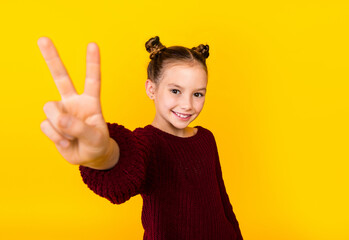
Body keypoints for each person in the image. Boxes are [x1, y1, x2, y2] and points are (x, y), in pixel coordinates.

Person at [38, 35, 244, 240]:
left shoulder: (206, 138)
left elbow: (223, 203)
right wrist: (102, 156)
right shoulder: (146, 143)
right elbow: (123, 172)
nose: (187, 105)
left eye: (197, 94)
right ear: (151, 89)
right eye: (175, 91)